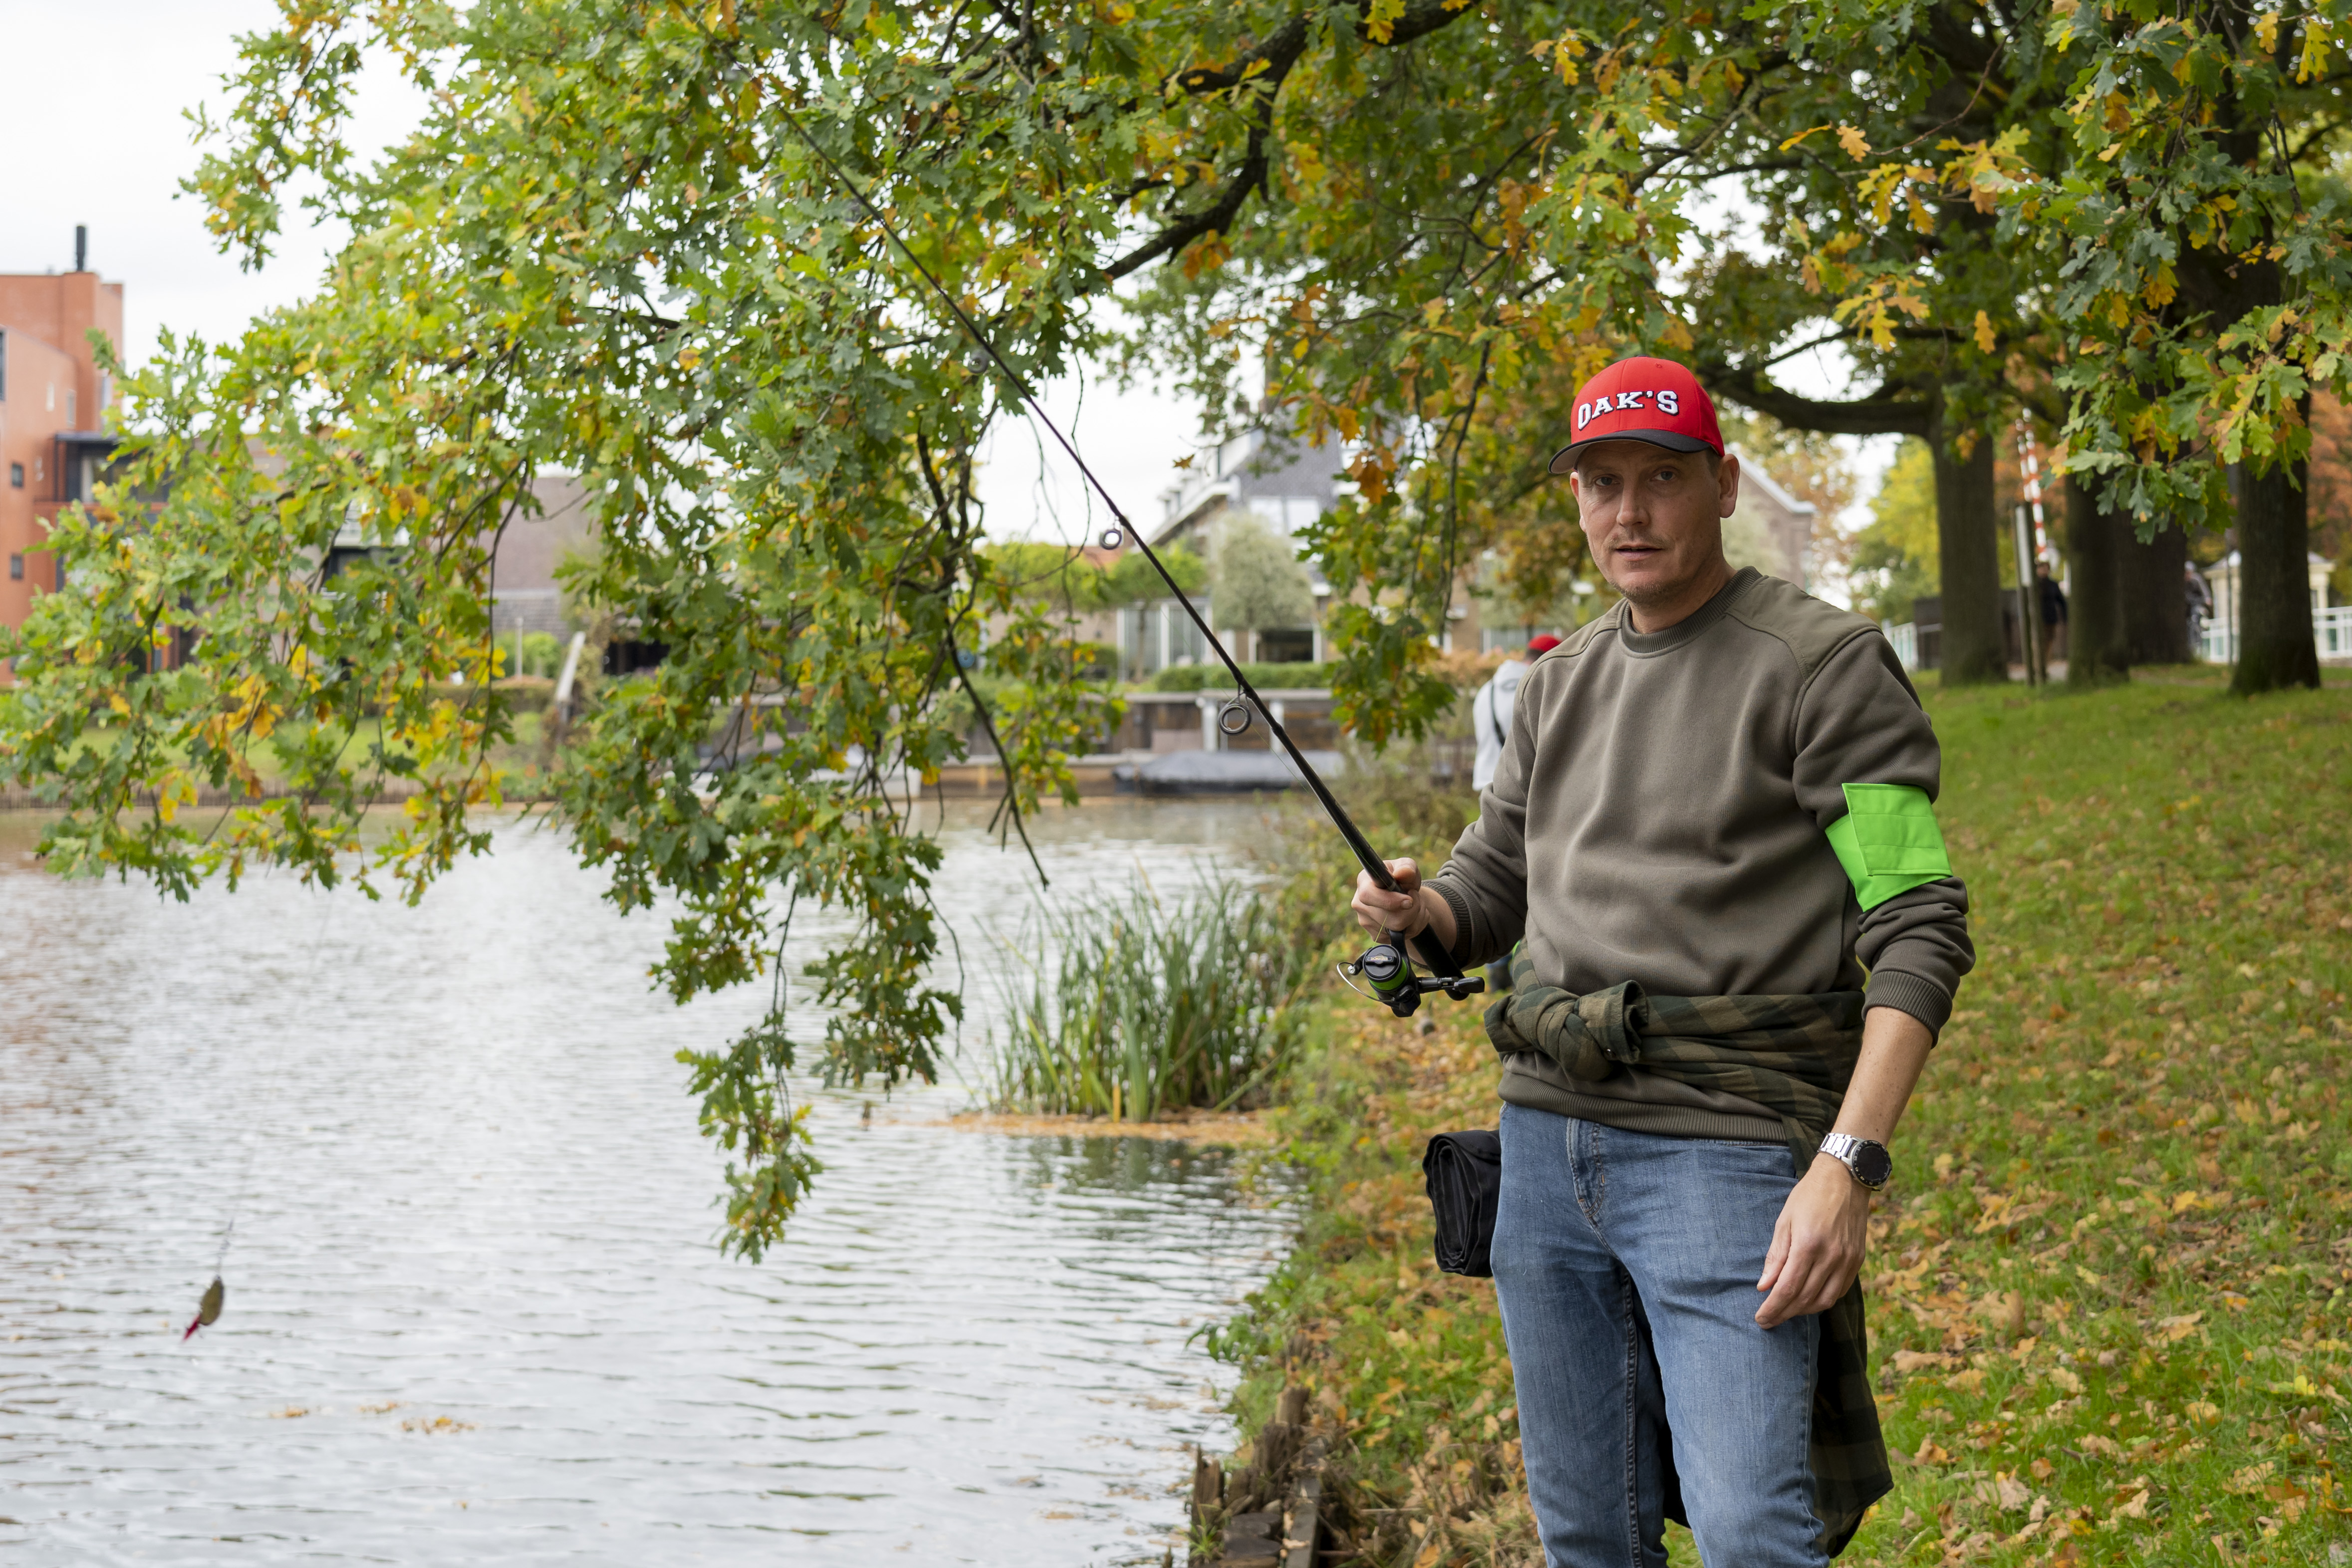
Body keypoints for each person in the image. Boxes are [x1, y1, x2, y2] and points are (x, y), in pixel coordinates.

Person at [1350, 356, 1974, 1567]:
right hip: (1541, 1147)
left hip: (1726, 1149)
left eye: (1662, 478)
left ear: (1724, 486)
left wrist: (1847, 1162)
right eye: (1602, 483)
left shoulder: (1824, 665)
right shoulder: (1553, 685)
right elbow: (1489, 888)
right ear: (1577, 499)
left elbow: (1916, 920)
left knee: (1750, 1533)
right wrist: (1417, 910)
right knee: (1588, 1531)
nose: (1628, 512)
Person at [1471, 635, 1561, 792]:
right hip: (1515, 791)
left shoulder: (1486, 690)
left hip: (1485, 785)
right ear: (1551, 661)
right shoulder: (1537, 691)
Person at [2035, 560, 2068, 662]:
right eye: (2042, 568)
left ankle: (2046, 662)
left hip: (2050, 617)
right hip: (2037, 618)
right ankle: (2038, 662)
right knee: (2038, 640)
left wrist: (2066, 617)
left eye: (2046, 568)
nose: (2044, 571)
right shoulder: (2035, 585)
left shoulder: (2053, 585)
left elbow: (2061, 601)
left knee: (2049, 640)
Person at [2185, 559, 2214, 657]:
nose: (2187, 575)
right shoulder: (2183, 583)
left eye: (2189, 573)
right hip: (2187, 607)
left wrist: (2207, 599)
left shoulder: (2197, 580)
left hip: (2197, 605)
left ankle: (2198, 642)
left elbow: (2205, 592)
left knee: (2196, 618)